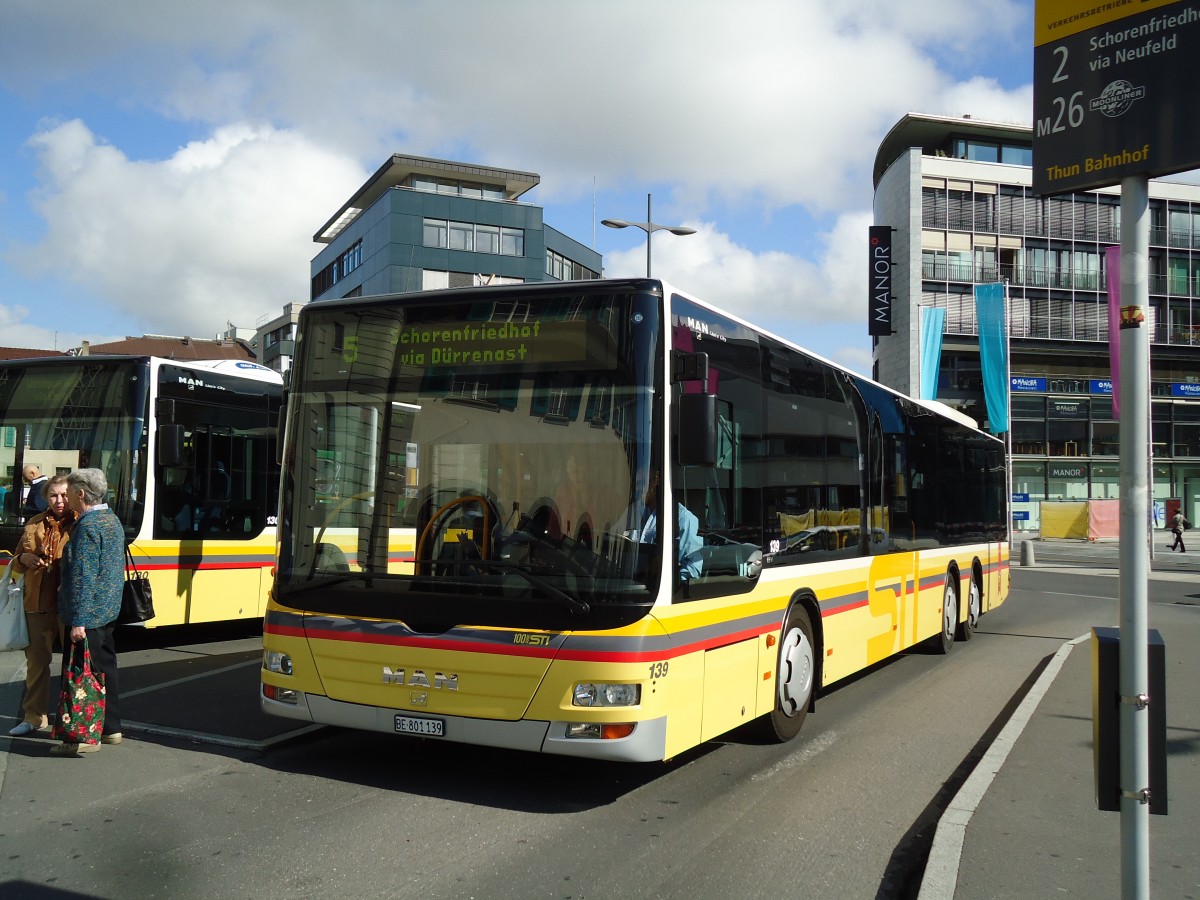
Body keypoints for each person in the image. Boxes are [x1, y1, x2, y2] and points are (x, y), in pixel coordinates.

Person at [51, 468, 126, 756]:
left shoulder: (88, 526)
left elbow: (84, 576)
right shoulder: (111, 520)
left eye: (69, 493)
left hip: (87, 613)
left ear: (81, 494)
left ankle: (81, 736)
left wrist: (78, 621)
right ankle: (110, 728)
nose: (66, 498)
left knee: (81, 676)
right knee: (105, 670)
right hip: (107, 611)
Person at [7, 475, 74, 737]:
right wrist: (23, 558)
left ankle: (73, 717)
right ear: (46, 497)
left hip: (69, 604)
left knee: (74, 664)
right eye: (54, 495)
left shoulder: (80, 524)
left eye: (64, 495)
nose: (59, 501)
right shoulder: (34, 524)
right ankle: (34, 717)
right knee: (36, 663)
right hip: (37, 602)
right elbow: (14, 561)